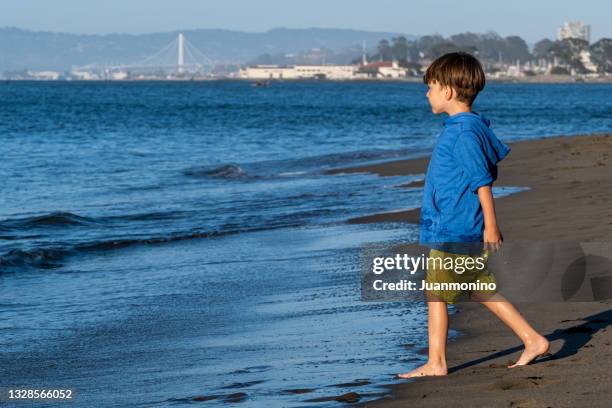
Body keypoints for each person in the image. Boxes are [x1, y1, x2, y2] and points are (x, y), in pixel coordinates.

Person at [397, 52, 550, 379]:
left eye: (431, 87)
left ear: (448, 92)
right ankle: (528, 340)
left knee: (451, 289)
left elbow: (483, 181)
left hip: (454, 225)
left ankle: (441, 361)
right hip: (456, 223)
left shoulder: (464, 133)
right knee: (462, 288)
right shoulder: (467, 126)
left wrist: (491, 226)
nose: (427, 93)